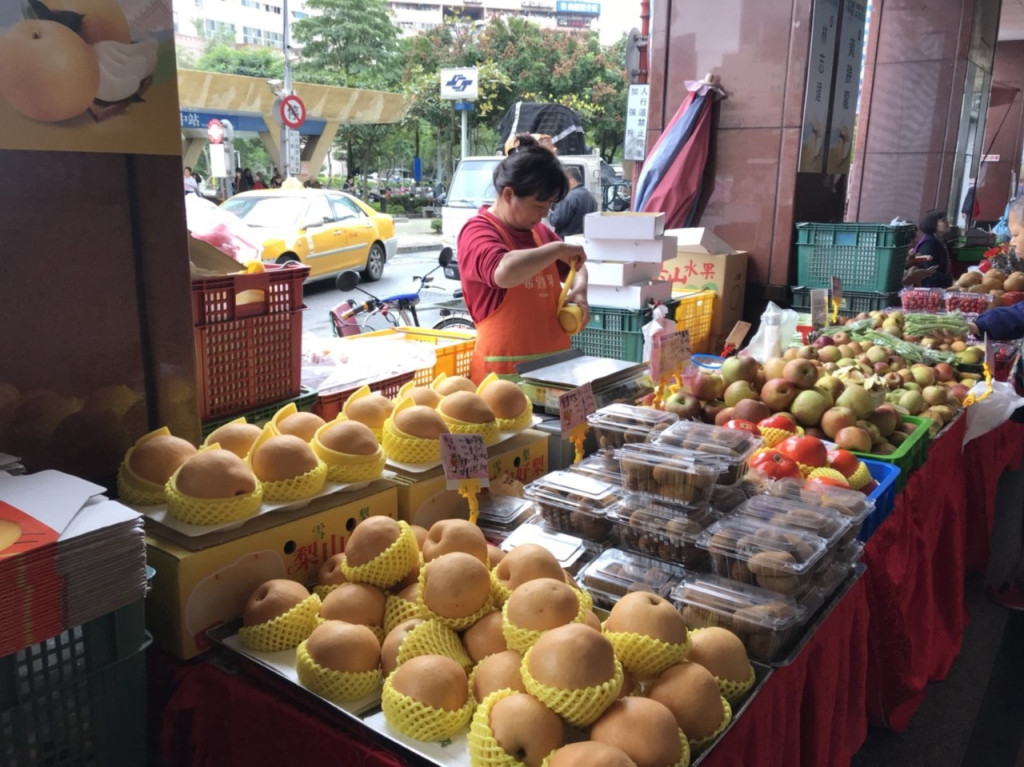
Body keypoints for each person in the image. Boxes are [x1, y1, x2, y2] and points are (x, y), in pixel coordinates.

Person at [458, 133, 590, 382]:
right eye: (538, 207)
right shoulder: (477, 232)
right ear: (508, 194)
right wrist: (558, 250)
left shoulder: (539, 233)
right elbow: (504, 272)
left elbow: (577, 265)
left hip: (554, 374)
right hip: (503, 382)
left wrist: (580, 290)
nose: (543, 216)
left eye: (548, 207)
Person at [548, 166, 598, 238]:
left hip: (567, 243)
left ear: (571, 181)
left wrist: (547, 209)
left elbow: (556, 221)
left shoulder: (567, 197)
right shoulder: (591, 197)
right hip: (585, 241)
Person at [909, 209, 953, 288]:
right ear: (933, 224)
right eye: (943, 220)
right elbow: (931, 271)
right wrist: (952, 282)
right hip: (928, 288)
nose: (947, 222)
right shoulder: (928, 244)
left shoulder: (939, 240)